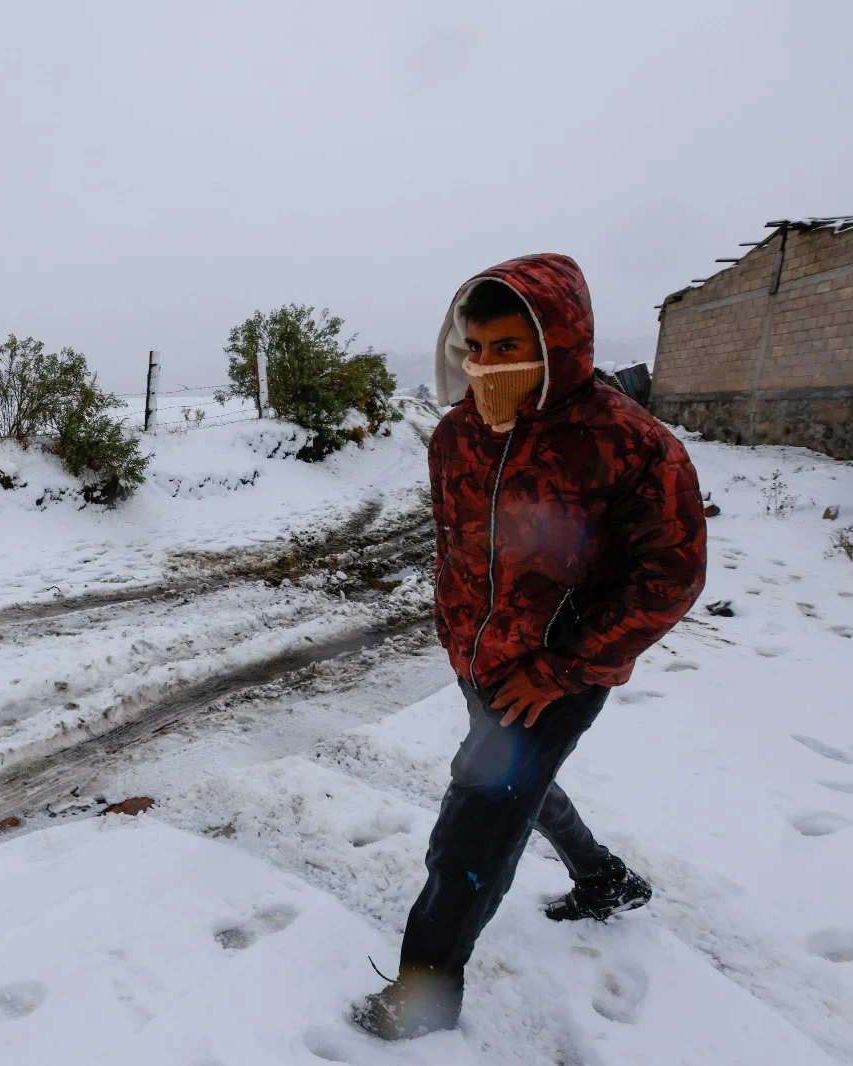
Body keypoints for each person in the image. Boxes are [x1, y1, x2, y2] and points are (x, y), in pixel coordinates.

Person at [351, 254, 708, 1040]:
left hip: (559, 675)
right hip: (478, 661)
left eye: (509, 347)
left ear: (562, 343)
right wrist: (456, 632)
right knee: (521, 781)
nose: (487, 366)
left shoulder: (632, 445)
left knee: (472, 825)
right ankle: (604, 879)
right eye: (475, 349)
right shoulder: (456, 436)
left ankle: (423, 999)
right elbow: (457, 547)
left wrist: (560, 668)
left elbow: (671, 576)